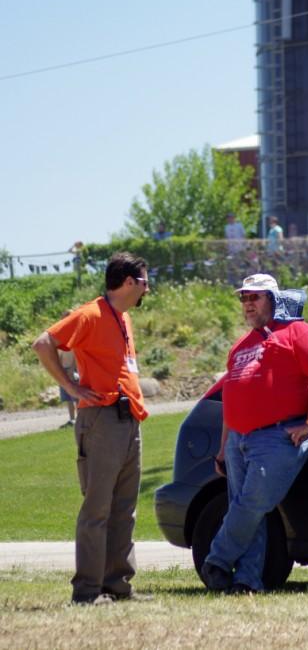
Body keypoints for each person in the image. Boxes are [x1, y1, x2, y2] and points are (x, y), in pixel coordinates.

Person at [201, 272, 308, 595]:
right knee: (251, 511)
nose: (247, 303)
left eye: (254, 297)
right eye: (243, 298)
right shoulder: (240, 346)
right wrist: (222, 447)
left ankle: (217, 559)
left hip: (278, 436)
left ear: (273, 300)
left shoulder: (298, 332)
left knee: (252, 503)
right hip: (237, 440)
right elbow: (232, 399)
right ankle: (247, 582)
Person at [32, 251, 150, 605]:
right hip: (100, 421)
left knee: (124, 509)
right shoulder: (90, 313)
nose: (148, 287)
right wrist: (70, 386)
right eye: (145, 281)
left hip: (129, 419)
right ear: (129, 282)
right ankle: (86, 591)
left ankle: (118, 585)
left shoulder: (123, 318)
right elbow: (43, 343)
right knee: (97, 508)